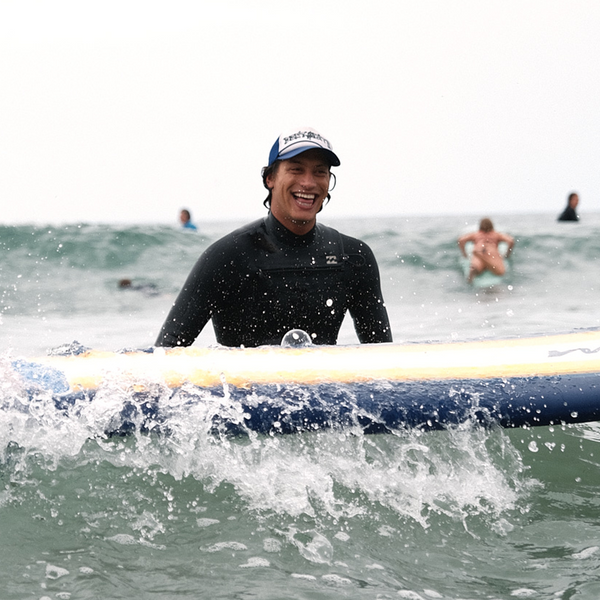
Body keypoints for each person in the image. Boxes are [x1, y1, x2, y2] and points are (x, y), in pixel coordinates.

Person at [155, 127, 392, 348]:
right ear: (270, 178)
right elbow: (165, 353)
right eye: (296, 169)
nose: (308, 182)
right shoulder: (228, 256)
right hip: (247, 392)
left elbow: (385, 361)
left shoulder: (352, 257)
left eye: (320, 172)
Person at [458, 218, 515, 283]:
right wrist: (507, 254)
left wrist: (464, 254)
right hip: (491, 252)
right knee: (500, 272)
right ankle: (487, 261)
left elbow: (461, 240)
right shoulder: (496, 234)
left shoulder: (476, 234)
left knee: (475, 267)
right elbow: (510, 241)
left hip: (478, 251)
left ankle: (472, 276)